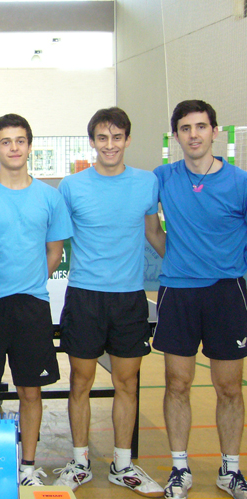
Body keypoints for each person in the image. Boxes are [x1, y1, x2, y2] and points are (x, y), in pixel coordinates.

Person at [52, 107, 165, 496]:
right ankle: (80, 462)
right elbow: (54, 238)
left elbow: (154, 232)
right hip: (85, 297)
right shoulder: (72, 186)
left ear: (127, 140)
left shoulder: (147, 183)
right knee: (80, 382)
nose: (110, 144)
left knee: (126, 383)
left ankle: (123, 463)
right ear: (93, 142)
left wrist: (190, 270)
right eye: (103, 137)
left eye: (117, 137)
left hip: (129, 298)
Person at [0, 114, 72, 487]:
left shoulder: (50, 198)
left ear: (29, 146)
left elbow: (54, 251)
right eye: (6, 142)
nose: (14, 148)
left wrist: (29, 279)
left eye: (20, 141)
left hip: (31, 306)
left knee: (30, 390)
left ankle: (26, 467)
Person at [153, 100, 247, 499]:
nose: (194, 134)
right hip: (178, 291)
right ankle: (179, 467)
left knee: (229, 387)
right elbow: (150, 229)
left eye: (201, 127)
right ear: (176, 136)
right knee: (177, 382)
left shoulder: (240, 181)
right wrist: (176, 257)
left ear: (215, 132)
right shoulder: (162, 177)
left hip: (228, 292)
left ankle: (231, 469)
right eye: (186, 128)